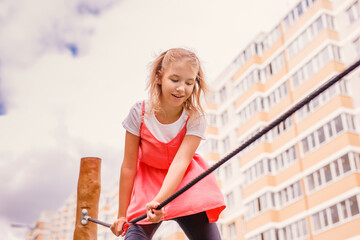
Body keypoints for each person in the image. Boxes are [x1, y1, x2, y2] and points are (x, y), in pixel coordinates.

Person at [110, 48, 226, 239]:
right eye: (175, 80)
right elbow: (129, 166)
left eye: (189, 83)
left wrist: (160, 201)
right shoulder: (139, 114)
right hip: (148, 183)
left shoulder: (194, 118)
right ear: (159, 77)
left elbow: (180, 163)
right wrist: (122, 215)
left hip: (184, 181)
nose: (182, 88)